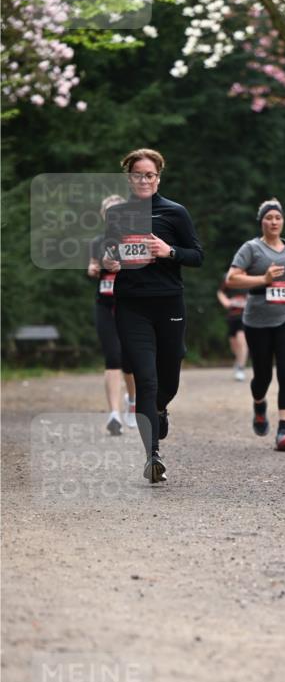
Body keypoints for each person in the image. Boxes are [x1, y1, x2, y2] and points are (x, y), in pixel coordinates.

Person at [102, 148, 204, 483]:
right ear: (128, 178)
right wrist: (111, 261)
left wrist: (169, 251)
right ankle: (152, 455)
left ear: (158, 177)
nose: (144, 180)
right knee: (145, 379)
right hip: (131, 305)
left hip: (168, 303)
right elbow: (109, 251)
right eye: (137, 175)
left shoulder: (175, 213)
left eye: (149, 175)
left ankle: (160, 409)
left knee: (167, 380)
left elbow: (196, 256)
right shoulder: (117, 213)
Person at [226, 198, 285, 451]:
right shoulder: (251, 248)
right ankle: (259, 404)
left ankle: (283, 431)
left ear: (283, 221)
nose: (274, 222)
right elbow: (232, 278)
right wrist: (263, 278)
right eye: (269, 218)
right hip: (258, 319)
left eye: (278, 217)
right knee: (263, 375)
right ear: (262, 221)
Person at [87, 194, 136, 435]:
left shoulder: (134, 240)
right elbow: (92, 266)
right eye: (109, 212)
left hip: (129, 306)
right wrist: (94, 268)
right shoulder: (98, 241)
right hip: (105, 304)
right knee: (113, 357)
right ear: (103, 216)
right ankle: (114, 414)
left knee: (130, 359)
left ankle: (133, 401)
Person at [216, 283, 248, 380]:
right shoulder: (229, 278)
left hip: (245, 315)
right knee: (234, 344)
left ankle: (241, 368)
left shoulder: (253, 276)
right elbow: (220, 292)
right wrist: (225, 301)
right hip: (232, 316)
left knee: (241, 340)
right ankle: (238, 361)